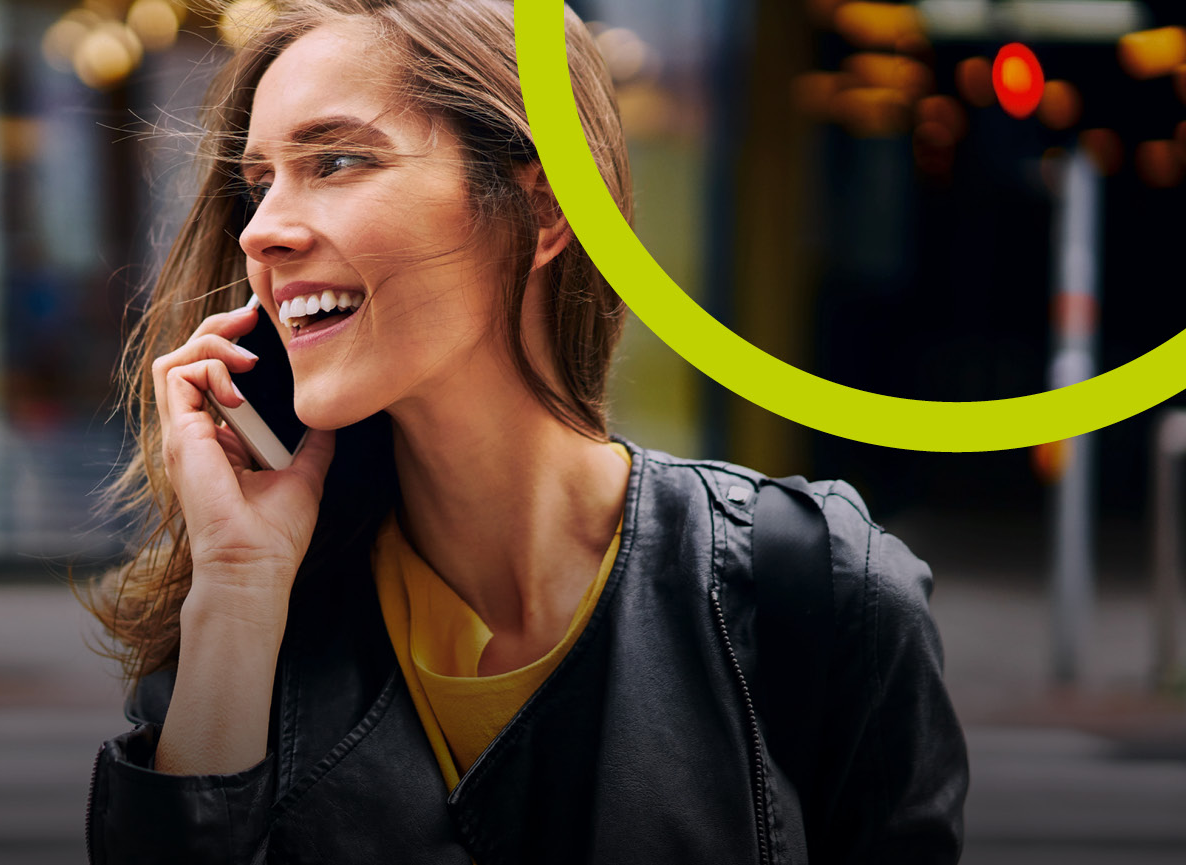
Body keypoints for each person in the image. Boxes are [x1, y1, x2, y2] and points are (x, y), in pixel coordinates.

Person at [80, 1, 968, 862]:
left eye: (339, 160)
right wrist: (238, 588)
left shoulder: (821, 591)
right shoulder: (244, 615)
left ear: (543, 211)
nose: (261, 233)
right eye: (258, 182)